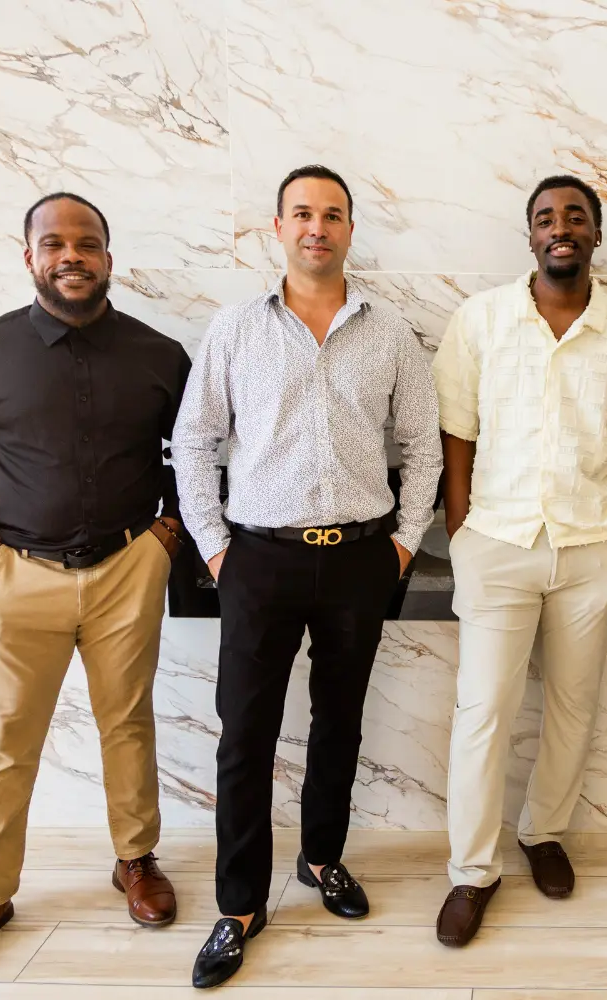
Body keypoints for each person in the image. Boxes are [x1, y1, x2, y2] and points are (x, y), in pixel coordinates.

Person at [0, 193, 191, 989]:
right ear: (28, 255)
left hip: (127, 568)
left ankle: (135, 862)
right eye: (55, 243)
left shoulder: (160, 354)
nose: (72, 254)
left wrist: (170, 533)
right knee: (5, 742)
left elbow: (198, 449)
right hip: (17, 573)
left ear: (109, 256)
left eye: (88, 242)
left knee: (127, 724)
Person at [172, 164, 442, 989]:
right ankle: (238, 905)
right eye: (302, 214)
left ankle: (322, 858)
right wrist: (218, 548)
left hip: (362, 557)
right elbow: (195, 441)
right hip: (259, 558)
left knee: (340, 724)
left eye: (332, 215)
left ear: (351, 230)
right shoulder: (234, 330)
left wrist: (401, 544)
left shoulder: (391, 331)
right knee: (245, 734)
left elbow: (423, 446)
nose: (316, 227)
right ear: (278, 229)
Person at [431, 174, 607, 947]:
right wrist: (461, 529)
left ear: (596, 234)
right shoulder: (480, 320)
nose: (561, 227)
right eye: (546, 218)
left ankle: (544, 833)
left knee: (575, 706)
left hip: (587, 549)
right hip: (497, 546)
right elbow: (456, 434)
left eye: (576, 216)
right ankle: (471, 873)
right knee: (483, 711)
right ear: (531, 236)